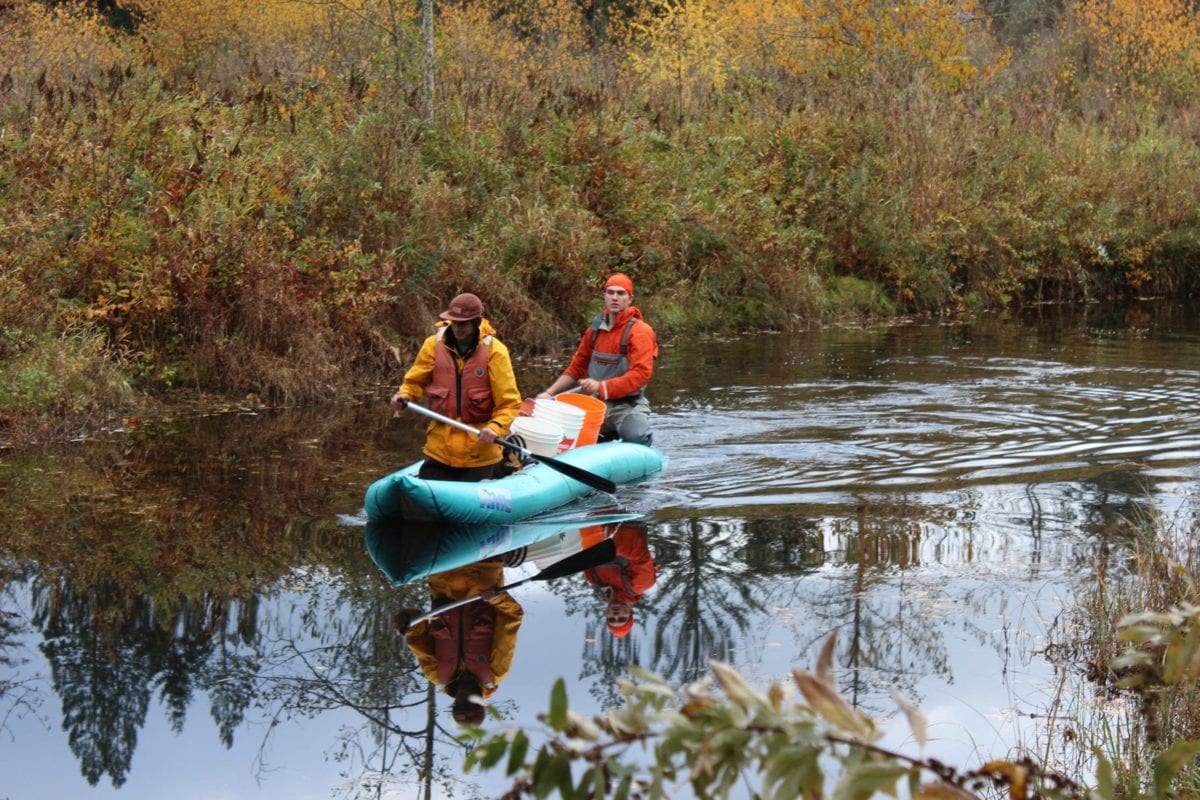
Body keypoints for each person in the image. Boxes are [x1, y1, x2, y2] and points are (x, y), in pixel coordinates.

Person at [390, 293, 521, 481]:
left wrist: (495, 427)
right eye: (454, 322)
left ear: (476, 322)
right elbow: (414, 382)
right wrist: (404, 395)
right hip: (440, 449)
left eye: (463, 323)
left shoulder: (495, 351)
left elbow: (510, 403)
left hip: (479, 453)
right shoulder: (433, 345)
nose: (457, 328)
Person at [536, 273, 658, 445]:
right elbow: (576, 367)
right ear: (605, 296)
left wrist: (602, 386)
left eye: (621, 293)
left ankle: (640, 446)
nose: (615, 297)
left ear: (630, 299)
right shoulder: (594, 331)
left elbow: (641, 375)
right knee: (558, 430)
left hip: (627, 405)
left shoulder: (641, 331)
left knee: (636, 437)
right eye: (610, 292)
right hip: (595, 404)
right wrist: (549, 393)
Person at [401, 560, 525, 726]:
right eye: (472, 704)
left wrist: (405, 622)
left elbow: (417, 634)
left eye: (460, 705)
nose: (465, 699)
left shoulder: (436, 673)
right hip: (481, 573)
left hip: (442, 578)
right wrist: (497, 599)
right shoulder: (495, 672)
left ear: (454, 705)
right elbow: (512, 617)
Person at [582, 523, 658, 639]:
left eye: (611, 619)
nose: (616, 615)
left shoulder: (594, 579)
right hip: (625, 518)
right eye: (622, 618)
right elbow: (638, 550)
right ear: (630, 613)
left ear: (606, 614)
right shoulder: (641, 584)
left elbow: (581, 554)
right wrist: (602, 541)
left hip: (591, 524)